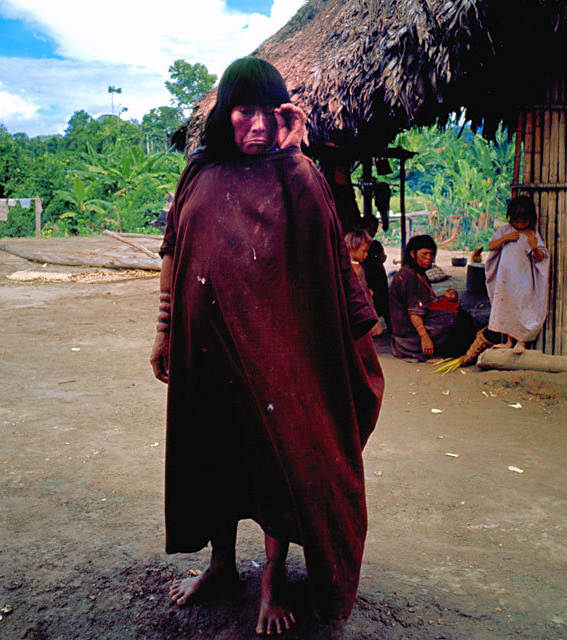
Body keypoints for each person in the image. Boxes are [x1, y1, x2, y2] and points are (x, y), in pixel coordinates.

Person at [149, 57, 384, 636]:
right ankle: (223, 565)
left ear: (284, 116)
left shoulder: (297, 176)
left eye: (267, 112)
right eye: (243, 110)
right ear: (224, 113)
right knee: (214, 452)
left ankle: (274, 576)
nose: (255, 125)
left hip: (275, 357)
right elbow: (173, 249)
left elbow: (327, 250)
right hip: (206, 352)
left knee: (276, 456)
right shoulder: (198, 173)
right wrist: (163, 328)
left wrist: (295, 152)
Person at [389, 234, 480, 361]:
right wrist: (424, 337)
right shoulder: (408, 276)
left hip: (418, 319)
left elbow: (425, 300)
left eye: (431, 254)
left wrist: (444, 297)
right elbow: (414, 312)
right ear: (412, 254)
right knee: (451, 320)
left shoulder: (419, 273)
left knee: (460, 313)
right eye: (424, 254)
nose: (429, 258)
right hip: (408, 331)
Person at [485, 195, 549, 354]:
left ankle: (521, 342)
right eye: (517, 221)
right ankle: (508, 341)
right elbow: (492, 246)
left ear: (531, 219)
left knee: (522, 307)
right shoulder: (505, 231)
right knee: (506, 306)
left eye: (524, 221)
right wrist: (505, 238)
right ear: (510, 218)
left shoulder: (531, 235)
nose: (520, 224)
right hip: (505, 279)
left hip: (524, 280)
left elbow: (540, 258)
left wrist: (534, 247)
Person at [344, 228, 383, 336]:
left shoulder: (355, 265)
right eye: (364, 251)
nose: (366, 254)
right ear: (353, 248)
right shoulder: (354, 268)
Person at [359, 214, 392, 333]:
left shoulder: (376, 244)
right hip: (367, 276)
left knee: (384, 302)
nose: (372, 231)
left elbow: (382, 257)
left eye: (374, 229)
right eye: (370, 228)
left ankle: (391, 328)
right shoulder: (359, 243)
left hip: (378, 275)